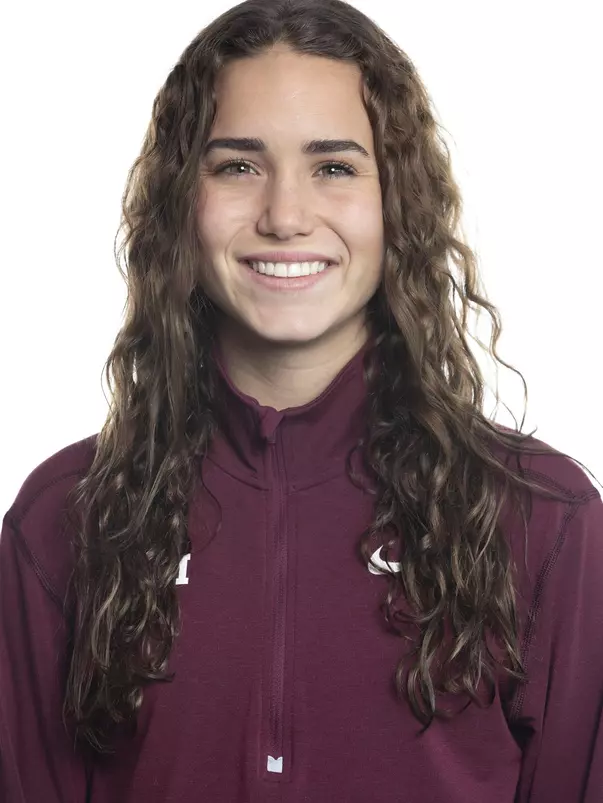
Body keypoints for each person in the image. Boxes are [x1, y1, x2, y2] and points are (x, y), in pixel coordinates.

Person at [1, 0, 601, 800]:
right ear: (183, 199)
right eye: (237, 165)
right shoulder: (64, 516)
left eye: (334, 166)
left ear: (399, 204)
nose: (285, 215)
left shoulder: (541, 517)